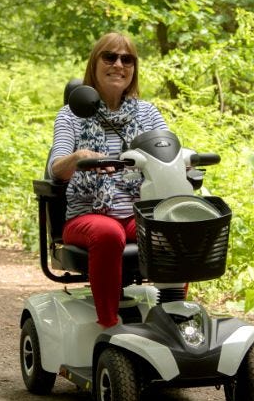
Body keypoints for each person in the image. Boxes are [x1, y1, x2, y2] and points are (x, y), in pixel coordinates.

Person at [47, 32, 169, 328]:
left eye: (127, 59)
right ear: (95, 63)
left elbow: (168, 153)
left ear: (133, 68)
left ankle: (172, 317)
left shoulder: (148, 113)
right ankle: (109, 325)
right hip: (86, 215)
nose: (118, 64)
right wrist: (80, 157)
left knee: (172, 225)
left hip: (135, 211)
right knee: (108, 233)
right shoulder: (71, 116)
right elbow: (55, 169)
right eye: (109, 57)